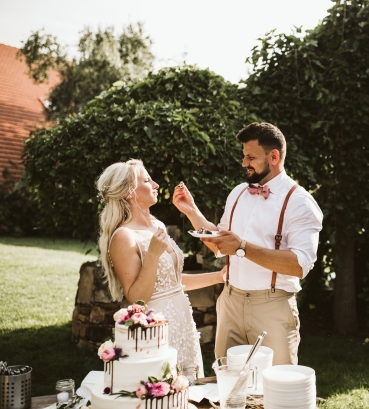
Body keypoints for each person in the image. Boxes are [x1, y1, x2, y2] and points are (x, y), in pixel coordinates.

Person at [172, 122, 323, 365]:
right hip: (230, 302)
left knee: (276, 389)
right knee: (227, 387)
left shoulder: (299, 202)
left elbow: (300, 265)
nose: (244, 163)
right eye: (244, 156)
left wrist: (242, 247)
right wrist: (192, 212)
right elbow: (222, 245)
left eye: (251, 157)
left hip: (272, 307)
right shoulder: (238, 193)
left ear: (273, 156)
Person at [97, 159, 223, 378]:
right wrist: (153, 255)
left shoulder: (158, 226)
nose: (155, 184)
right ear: (129, 192)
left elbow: (173, 283)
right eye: (147, 180)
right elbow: (137, 300)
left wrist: (220, 277)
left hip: (183, 319)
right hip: (156, 328)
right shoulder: (124, 237)